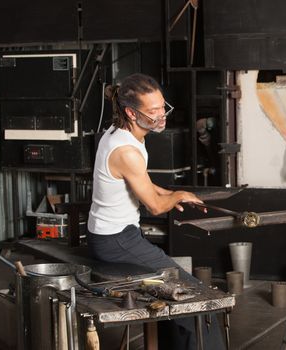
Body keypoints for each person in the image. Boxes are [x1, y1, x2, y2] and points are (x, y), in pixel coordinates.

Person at [87, 73, 224, 349]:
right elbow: (155, 206)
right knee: (192, 295)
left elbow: (143, 183)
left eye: (162, 107)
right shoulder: (125, 150)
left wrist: (176, 195)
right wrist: (173, 197)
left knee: (175, 292)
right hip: (115, 241)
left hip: (116, 235)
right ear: (130, 112)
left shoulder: (120, 132)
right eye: (153, 111)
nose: (161, 115)